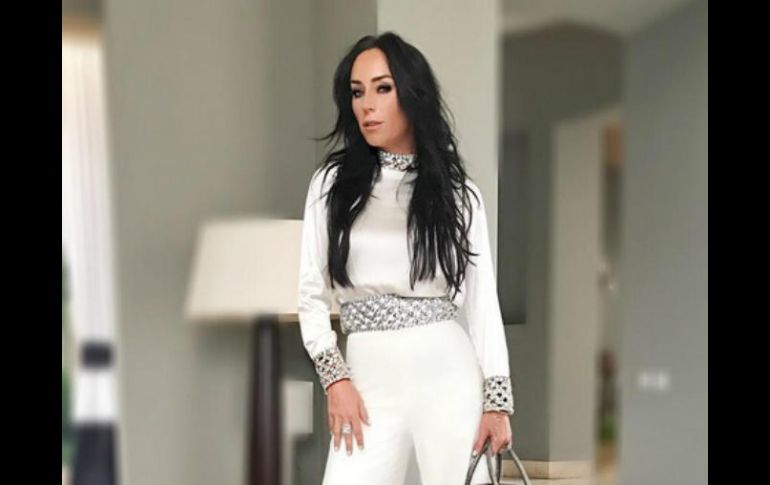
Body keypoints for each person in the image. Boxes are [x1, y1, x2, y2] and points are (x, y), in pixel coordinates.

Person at [297, 31, 515, 485]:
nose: (366, 106)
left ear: (412, 95)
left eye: (382, 88)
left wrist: (497, 403)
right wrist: (335, 380)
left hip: (446, 375)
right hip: (367, 382)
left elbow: (482, 302)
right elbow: (310, 294)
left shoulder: (459, 195)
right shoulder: (331, 185)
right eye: (357, 92)